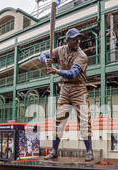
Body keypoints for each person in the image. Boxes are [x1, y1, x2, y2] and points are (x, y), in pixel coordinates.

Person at [39, 28, 93, 161]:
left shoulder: (82, 56)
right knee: (59, 121)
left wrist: (55, 71)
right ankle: (54, 151)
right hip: (64, 90)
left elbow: (72, 74)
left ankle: (89, 151)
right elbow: (41, 55)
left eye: (78, 38)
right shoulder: (60, 49)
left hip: (78, 89)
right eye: (74, 39)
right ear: (67, 40)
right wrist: (45, 61)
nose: (77, 41)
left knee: (85, 121)